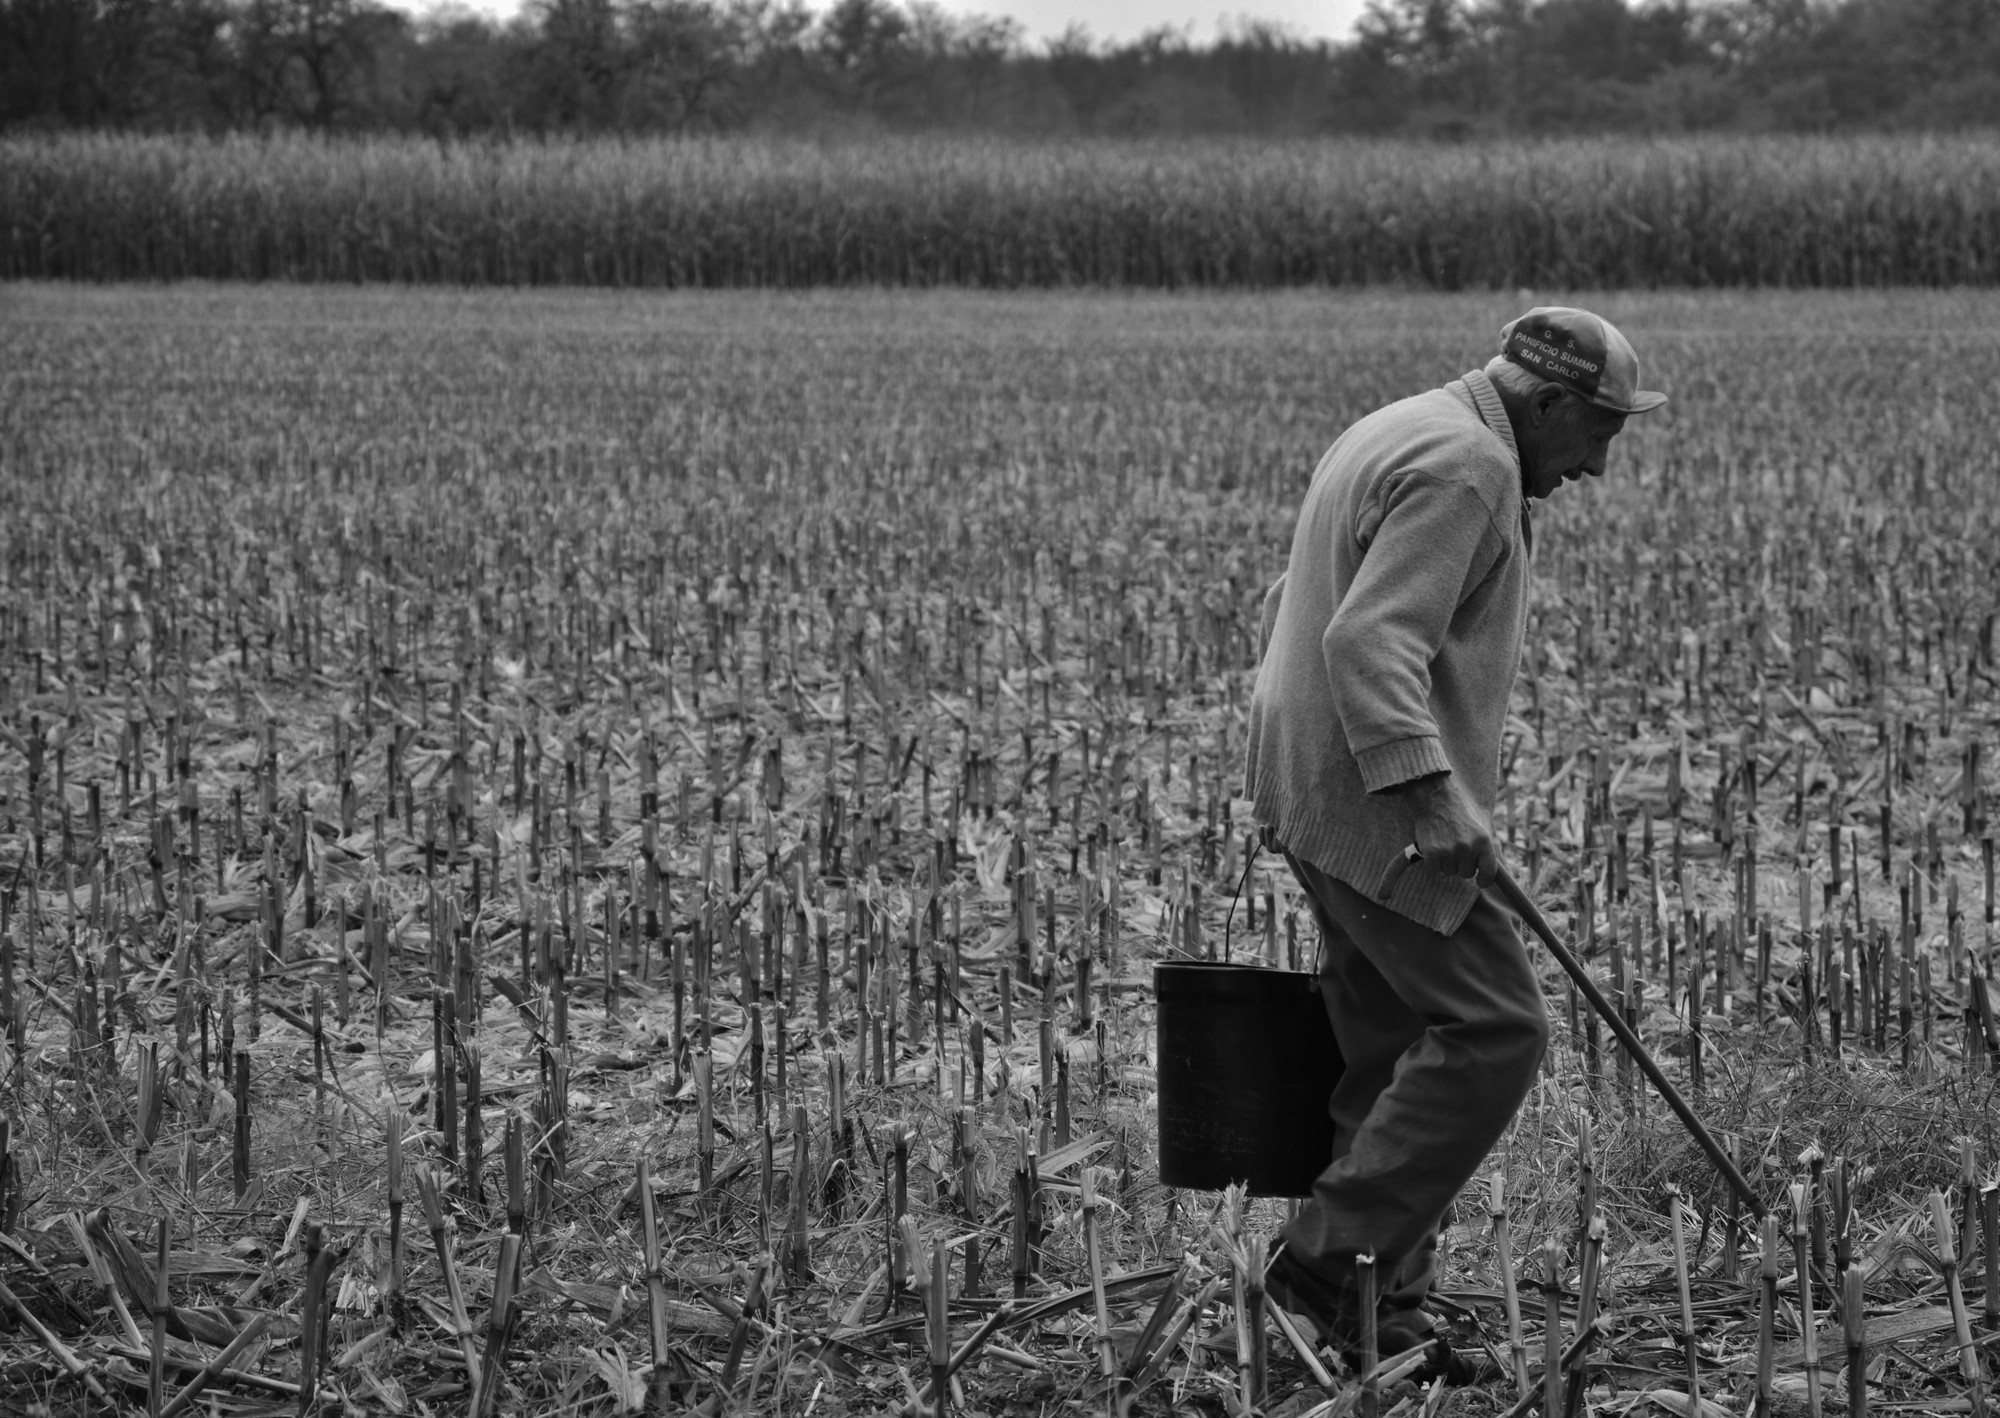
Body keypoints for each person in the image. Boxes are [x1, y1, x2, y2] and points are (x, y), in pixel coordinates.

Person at [1242, 307, 1667, 1371]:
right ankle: (1323, 1267)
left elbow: (1301, 601)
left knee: (1388, 1042)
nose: (1599, 465)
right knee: (1493, 1029)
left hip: (1317, 777)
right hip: (1374, 795)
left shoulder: (1405, 422)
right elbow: (1367, 637)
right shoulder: (1469, 465)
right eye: (1600, 432)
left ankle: (1372, 1305)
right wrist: (1430, 799)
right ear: (1549, 404)